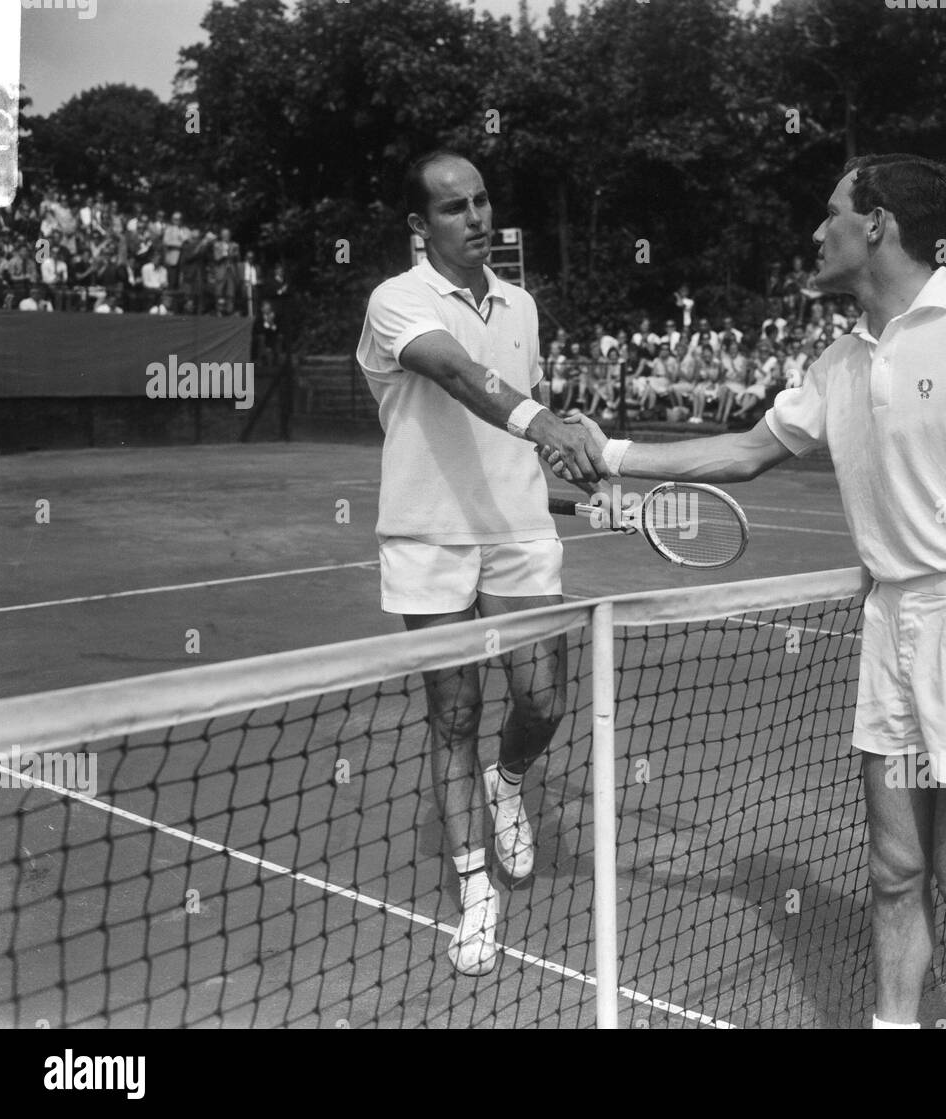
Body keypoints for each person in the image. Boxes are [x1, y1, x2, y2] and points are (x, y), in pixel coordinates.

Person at [546, 153, 946, 1029]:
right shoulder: (836, 362)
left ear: (878, 225)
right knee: (893, 869)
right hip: (892, 625)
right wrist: (615, 455)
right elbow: (748, 450)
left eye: (831, 213)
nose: (816, 231)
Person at [356, 150, 605, 977]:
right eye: (455, 207)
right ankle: (476, 892)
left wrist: (573, 495)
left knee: (543, 698)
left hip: (519, 534)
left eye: (484, 200)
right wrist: (546, 422)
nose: (477, 217)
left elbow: (510, 441)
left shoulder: (521, 306)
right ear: (419, 226)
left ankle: (509, 779)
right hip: (428, 539)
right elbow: (461, 376)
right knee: (453, 713)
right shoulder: (397, 301)